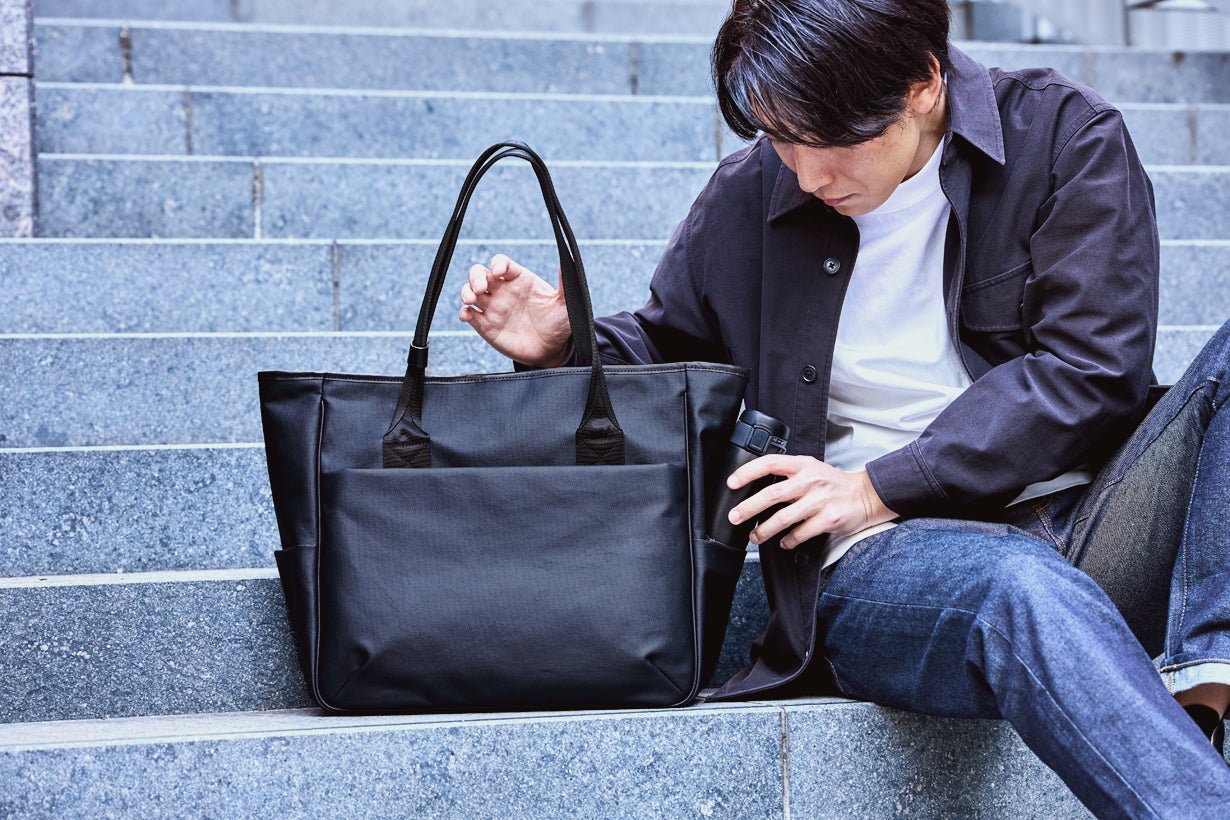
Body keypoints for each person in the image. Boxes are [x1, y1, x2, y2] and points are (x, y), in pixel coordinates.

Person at [459, 0, 1230, 812]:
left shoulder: (1063, 137)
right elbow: (671, 353)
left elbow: (1092, 371)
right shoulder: (750, 194)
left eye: (831, 140)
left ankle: (1205, 679)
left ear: (924, 84)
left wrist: (878, 483)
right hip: (877, 559)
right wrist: (564, 344)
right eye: (781, 137)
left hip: (1092, 517)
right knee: (1018, 584)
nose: (808, 175)